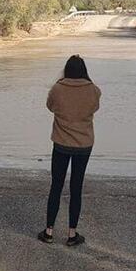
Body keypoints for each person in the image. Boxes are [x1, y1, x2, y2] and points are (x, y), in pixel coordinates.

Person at [38, 54, 101, 247]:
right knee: (76, 188)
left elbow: (50, 107)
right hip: (83, 145)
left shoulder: (57, 88)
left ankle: (49, 231)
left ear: (66, 69)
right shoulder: (93, 90)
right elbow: (94, 108)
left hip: (61, 143)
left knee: (56, 186)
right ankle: (72, 234)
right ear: (84, 70)